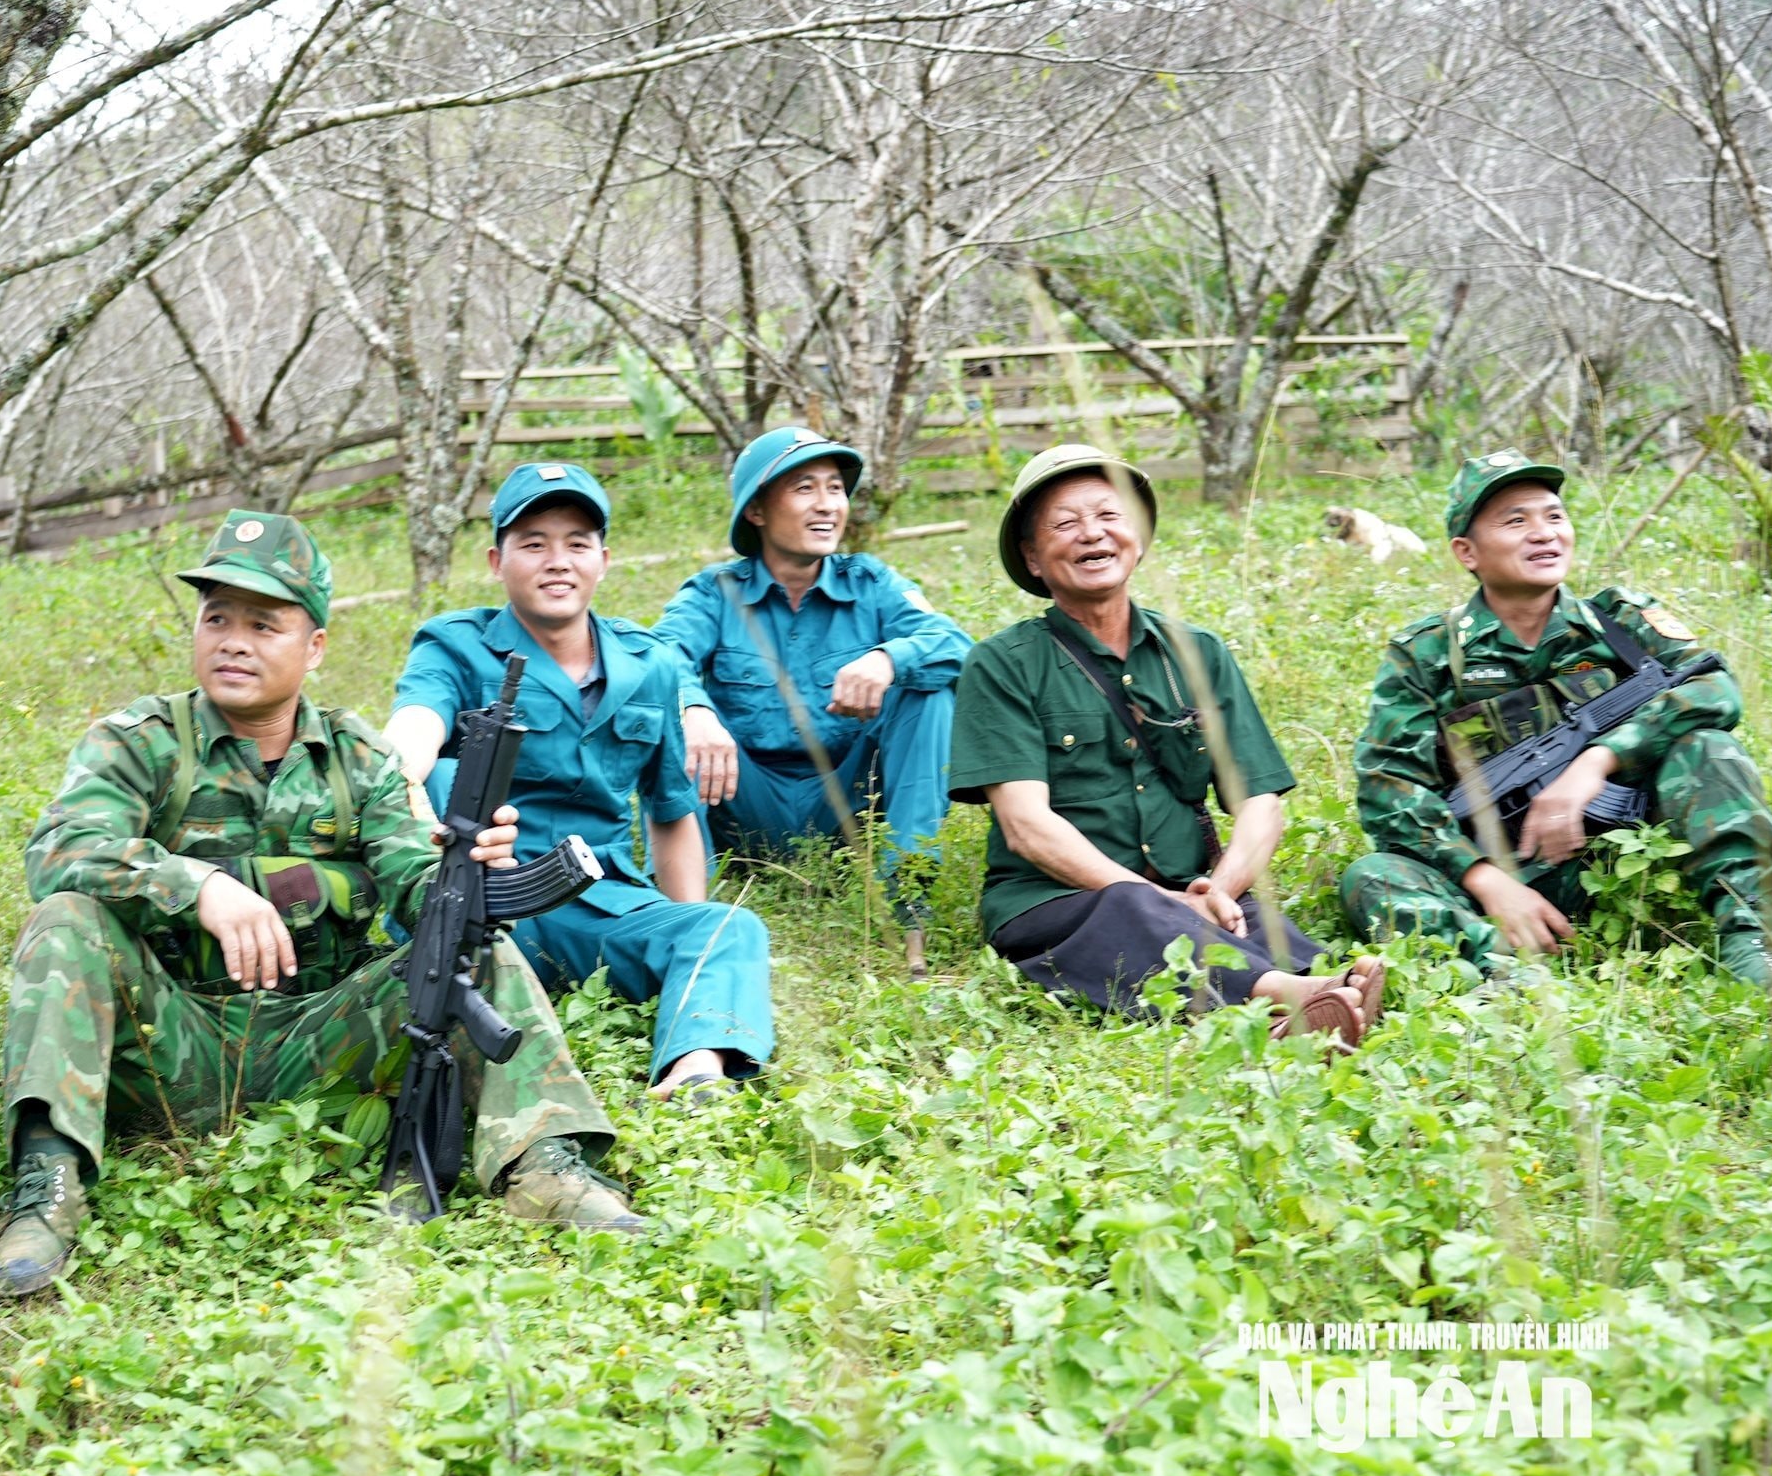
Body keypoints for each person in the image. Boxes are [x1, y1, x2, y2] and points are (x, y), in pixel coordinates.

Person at [0, 511, 638, 1298]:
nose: (233, 642)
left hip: (323, 1046)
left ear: (315, 646)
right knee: (64, 922)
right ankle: (47, 1188)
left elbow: (415, 886)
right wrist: (198, 887)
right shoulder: (139, 740)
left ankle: (545, 1166)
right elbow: (60, 852)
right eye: (217, 619)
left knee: (469, 947)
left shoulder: (359, 758)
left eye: (264, 624)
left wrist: (465, 872)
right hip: (166, 1041)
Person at [948, 446, 1380, 1041]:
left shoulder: (1198, 653)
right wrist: (1160, 898)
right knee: (1131, 910)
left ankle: (1307, 1002)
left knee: (1254, 922)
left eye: (1110, 515)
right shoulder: (1002, 664)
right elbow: (1026, 827)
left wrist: (1219, 893)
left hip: (1190, 895)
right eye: (1065, 523)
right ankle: (1291, 997)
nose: (1091, 534)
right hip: (1060, 904)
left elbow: (1261, 802)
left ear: (1139, 537)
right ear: (1033, 558)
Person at [1342, 449, 1772, 1004]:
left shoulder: (1621, 620)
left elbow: (1715, 687)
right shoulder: (1427, 655)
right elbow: (1387, 786)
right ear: (1467, 552)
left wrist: (1597, 762)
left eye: (1554, 516)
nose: (1544, 533)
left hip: (1632, 861)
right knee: (1372, 876)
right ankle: (1506, 974)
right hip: (1508, 876)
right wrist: (1486, 879)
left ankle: (1753, 946)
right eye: (1516, 521)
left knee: (1709, 749)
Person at [387, 463, 777, 1103]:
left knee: (729, 928)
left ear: (603, 560)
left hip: (597, 904)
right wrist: (406, 777)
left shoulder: (649, 664)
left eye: (577, 543)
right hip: (480, 905)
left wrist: (685, 932)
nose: (557, 561)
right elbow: (413, 731)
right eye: (533, 543)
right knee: (447, 775)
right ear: (497, 561)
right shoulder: (455, 647)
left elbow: (672, 811)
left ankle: (697, 1065)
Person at [652, 428, 972, 976]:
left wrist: (888, 659)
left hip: (847, 803)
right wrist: (694, 710)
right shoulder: (714, 592)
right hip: (742, 801)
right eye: (804, 488)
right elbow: (658, 657)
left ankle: (908, 913)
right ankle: (689, 922)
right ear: (756, 510)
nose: (827, 504)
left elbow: (958, 647)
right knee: (668, 712)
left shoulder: (871, 583)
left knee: (929, 691)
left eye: (835, 488)